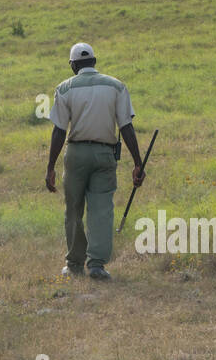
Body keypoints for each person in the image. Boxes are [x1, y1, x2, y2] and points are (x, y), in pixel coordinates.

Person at [44, 43, 144, 280]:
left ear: (73, 65)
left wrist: (50, 167)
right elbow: (126, 127)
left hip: (76, 154)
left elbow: (59, 131)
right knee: (101, 209)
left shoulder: (65, 88)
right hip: (105, 155)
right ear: (95, 62)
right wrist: (138, 162)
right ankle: (97, 265)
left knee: (74, 209)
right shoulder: (117, 86)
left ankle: (75, 264)